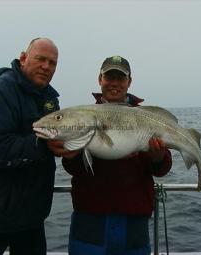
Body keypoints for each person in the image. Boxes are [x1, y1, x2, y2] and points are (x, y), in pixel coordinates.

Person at [0, 37, 72, 255]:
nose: (46, 67)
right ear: (23, 58)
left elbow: (53, 138)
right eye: (41, 59)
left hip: (29, 218)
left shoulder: (48, 97)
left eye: (52, 63)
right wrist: (45, 146)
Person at [62, 55, 173, 255]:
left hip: (134, 222)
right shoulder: (83, 116)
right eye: (109, 77)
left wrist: (157, 156)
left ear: (129, 82)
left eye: (120, 78)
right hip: (90, 219)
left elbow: (162, 168)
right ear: (100, 79)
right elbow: (72, 168)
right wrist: (71, 153)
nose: (114, 83)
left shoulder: (146, 117)